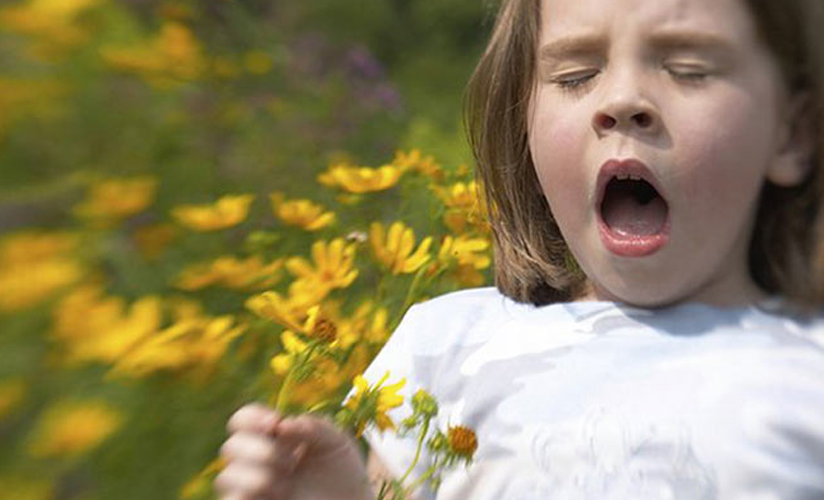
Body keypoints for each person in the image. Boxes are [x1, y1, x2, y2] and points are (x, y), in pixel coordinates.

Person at [215, 0, 824, 497]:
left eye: (689, 68)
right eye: (575, 75)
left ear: (792, 133)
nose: (621, 102)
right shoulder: (449, 346)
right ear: (523, 123)